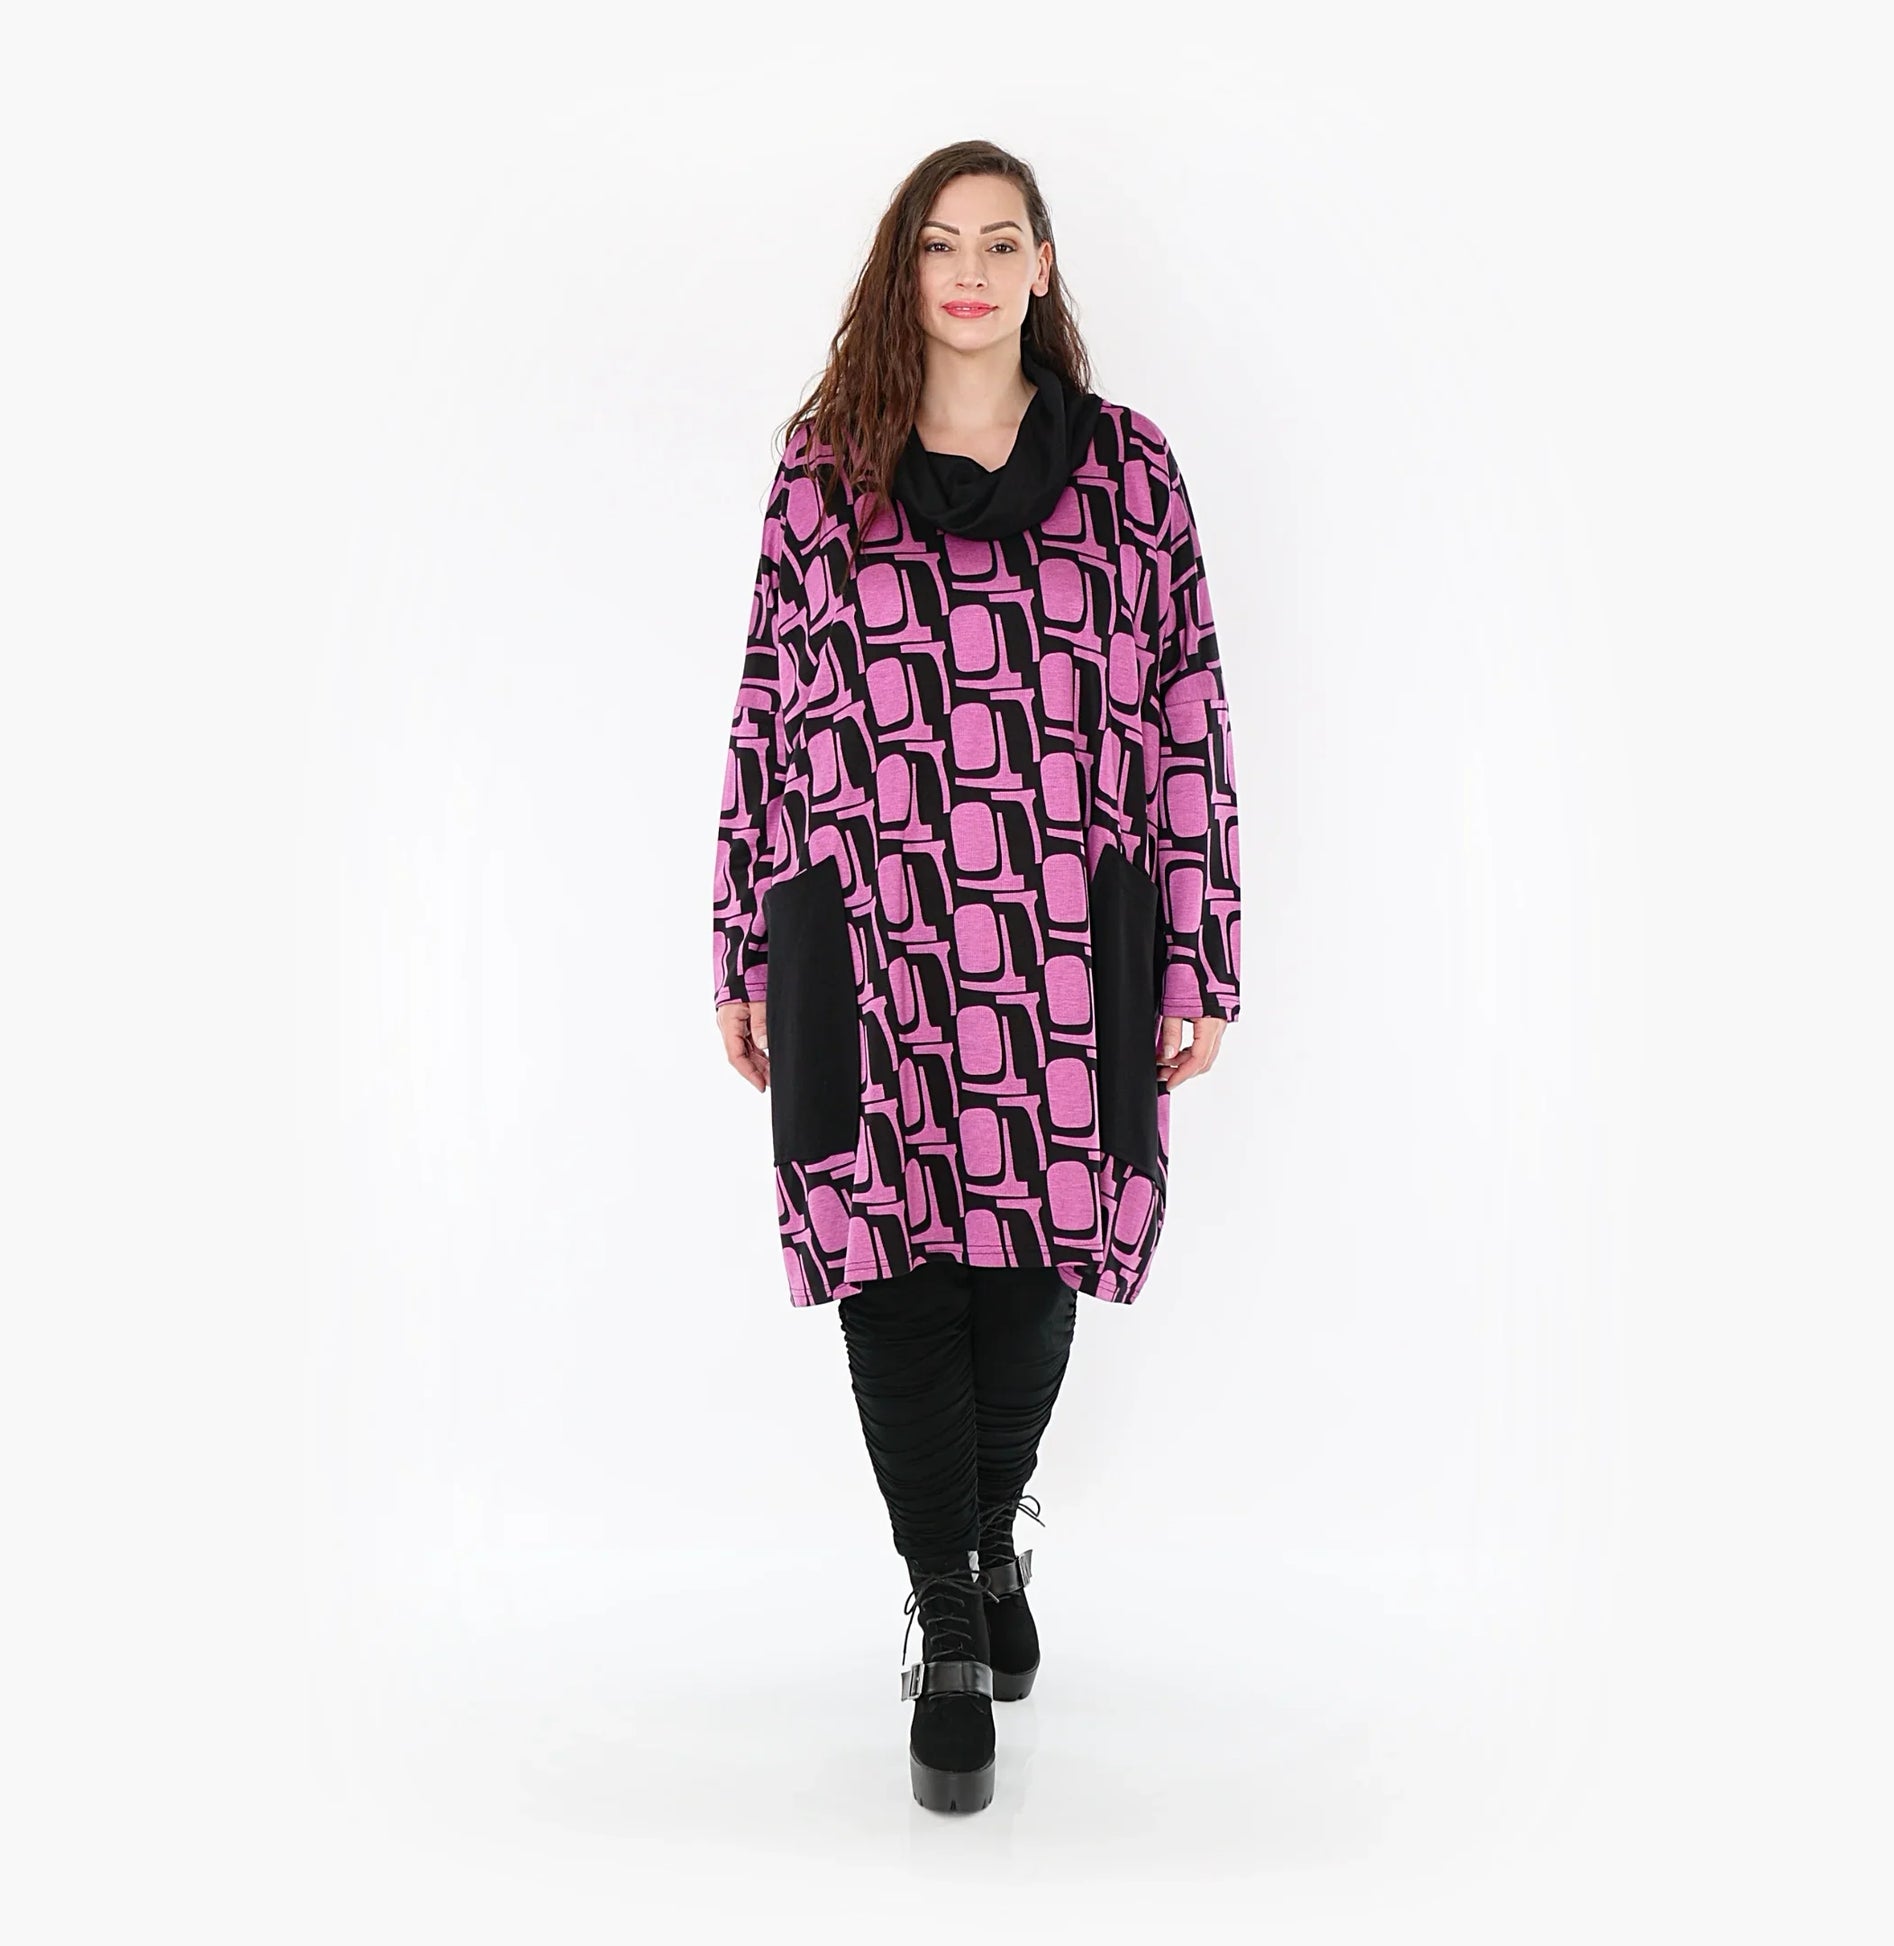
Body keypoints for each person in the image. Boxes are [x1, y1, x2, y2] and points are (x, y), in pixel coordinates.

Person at [710, 140, 1243, 1814]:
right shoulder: (825, 468)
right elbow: (765, 706)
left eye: (999, 242)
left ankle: (987, 1524)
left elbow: (1186, 708)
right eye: (940, 243)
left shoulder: (1129, 474)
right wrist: (739, 933)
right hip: (862, 928)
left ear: (1041, 266)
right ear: (904, 266)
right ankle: (947, 1606)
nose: (967, 271)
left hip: (1065, 930)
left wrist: (1201, 941)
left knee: (1029, 1267)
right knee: (887, 1259)